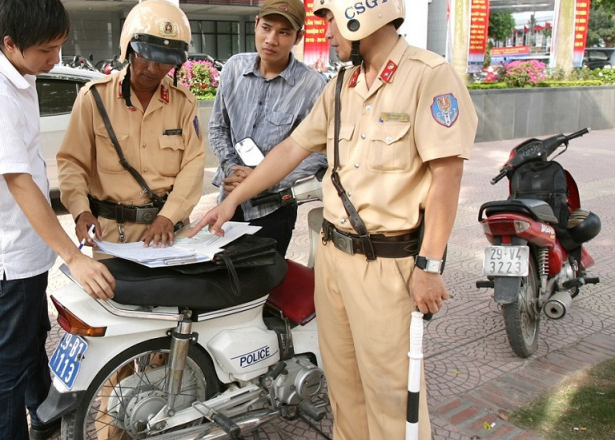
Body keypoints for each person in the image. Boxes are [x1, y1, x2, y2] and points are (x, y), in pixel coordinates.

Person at [190, 0, 477, 438]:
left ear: (364, 15)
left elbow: (447, 177)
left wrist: (430, 266)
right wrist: (232, 201)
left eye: (331, 21)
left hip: (385, 266)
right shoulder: (343, 84)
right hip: (331, 258)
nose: (326, 33)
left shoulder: (428, 76)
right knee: (342, 387)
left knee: (391, 393)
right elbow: (291, 149)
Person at [0, 1, 115, 439]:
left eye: (60, 46)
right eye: (47, 50)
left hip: (24, 242)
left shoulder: (18, 76)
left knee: (29, 335)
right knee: (10, 355)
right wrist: (73, 259)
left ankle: (43, 410)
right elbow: (19, 181)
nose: (56, 59)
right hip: (7, 247)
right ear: (9, 42)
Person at [58, 0, 205, 249]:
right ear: (128, 50)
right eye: (144, 57)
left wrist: (168, 216)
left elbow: (193, 164)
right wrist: (80, 211)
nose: (152, 69)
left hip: (168, 234)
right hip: (112, 236)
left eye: (163, 62)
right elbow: (72, 162)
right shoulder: (94, 98)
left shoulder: (183, 103)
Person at [209, 0, 326, 256]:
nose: (271, 39)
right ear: (255, 25)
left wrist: (264, 179)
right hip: (227, 197)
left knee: (266, 284)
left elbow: (319, 152)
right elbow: (218, 127)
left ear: (299, 37)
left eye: (284, 32)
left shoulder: (313, 86)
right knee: (222, 277)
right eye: (266, 27)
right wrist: (232, 168)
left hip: (273, 207)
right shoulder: (233, 69)